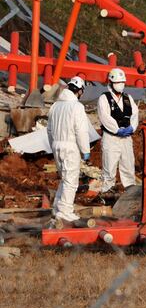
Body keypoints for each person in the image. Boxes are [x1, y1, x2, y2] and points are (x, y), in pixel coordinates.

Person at [46, 77, 91, 228]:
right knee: (71, 181)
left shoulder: (55, 106)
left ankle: (57, 207)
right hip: (70, 146)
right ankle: (65, 211)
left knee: (64, 178)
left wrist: (53, 145)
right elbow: (81, 131)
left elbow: (49, 130)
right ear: (79, 91)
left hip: (56, 145)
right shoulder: (76, 107)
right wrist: (85, 150)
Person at [97, 68, 138, 194]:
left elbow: (135, 114)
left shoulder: (128, 98)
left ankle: (131, 193)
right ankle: (107, 192)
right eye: (118, 82)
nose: (121, 85)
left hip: (126, 138)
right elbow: (105, 117)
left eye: (122, 82)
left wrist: (132, 127)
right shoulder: (104, 98)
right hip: (111, 138)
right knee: (109, 167)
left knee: (128, 166)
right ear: (111, 82)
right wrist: (117, 129)